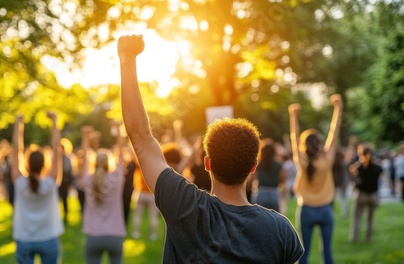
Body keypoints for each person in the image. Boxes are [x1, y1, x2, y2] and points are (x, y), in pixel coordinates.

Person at [118, 34, 303, 263]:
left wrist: (127, 58)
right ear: (252, 166)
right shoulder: (281, 230)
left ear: (208, 164)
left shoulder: (184, 206)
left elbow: (141, 138)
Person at [289, 94, 343, 264]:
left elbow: (294, 137)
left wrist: (293, 116)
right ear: (320, 145)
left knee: (303, 254)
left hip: (306, 210)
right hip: (326, 210)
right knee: (327, 254)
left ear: (303, 146)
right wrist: (338, 107)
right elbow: (334, 133)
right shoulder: (326, 161)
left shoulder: (302, 161)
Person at [11, 112, 63, 264]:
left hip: (24, 239)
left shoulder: (20, 182)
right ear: (45, 164)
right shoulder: (51, 182)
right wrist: (55, 122)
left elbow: (16, 151)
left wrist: (18, 124)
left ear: (27, 163)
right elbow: (57, 150)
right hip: (49, 238)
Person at [78, 123, 126, 264]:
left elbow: (85, 158)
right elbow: (121, 154)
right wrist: (118, 130)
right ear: (109, 162)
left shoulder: (88, 178)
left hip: (93, 236)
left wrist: (85, 138)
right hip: (115, 235)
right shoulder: (116, 177)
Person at [349, 144, 383, 242]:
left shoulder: (357, 168)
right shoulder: (377, 167)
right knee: (370, 219)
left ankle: (354, 238)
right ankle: (369, 238)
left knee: (356, 218)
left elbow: (354, 181)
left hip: (361, 195)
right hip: (373, 195)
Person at [250, 141, 286, 212]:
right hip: (274, 193)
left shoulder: (258, 164)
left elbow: (252, 179)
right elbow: (283, 179)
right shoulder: (278, 165)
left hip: (260, 193)